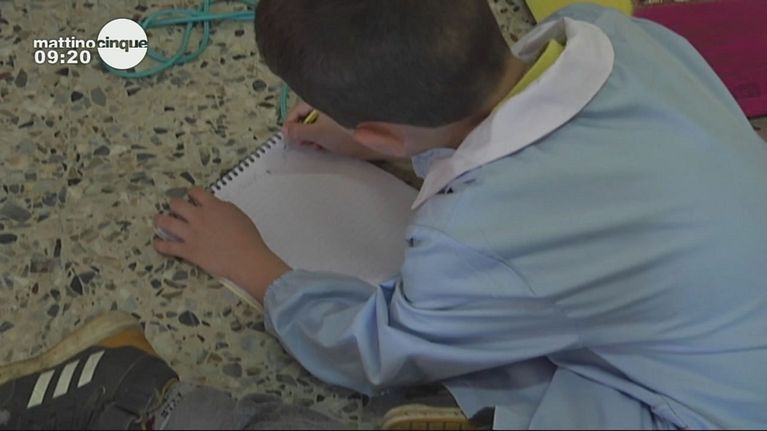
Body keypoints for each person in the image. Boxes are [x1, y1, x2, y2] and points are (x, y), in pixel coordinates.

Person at [151, 0, 767, 428]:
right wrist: (394, 140)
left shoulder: (473, 236)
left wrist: (256, 267)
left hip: (725, 411)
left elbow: (376, 351)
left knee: (525, 372)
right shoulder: (609, 30)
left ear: (380, 133)